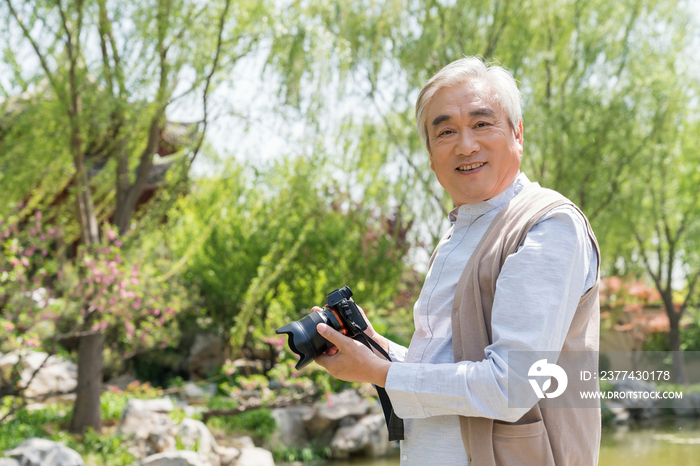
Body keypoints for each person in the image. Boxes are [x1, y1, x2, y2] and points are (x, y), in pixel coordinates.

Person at [313, 57, 600, 465]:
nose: (465, 145)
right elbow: (449, 367)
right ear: (431, 156)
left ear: (518, 134)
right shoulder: (460, 231)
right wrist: (377, 350)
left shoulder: (547, 225)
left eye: (482, 124)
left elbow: (513, 384)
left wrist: (380, 374)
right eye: (445, 131)